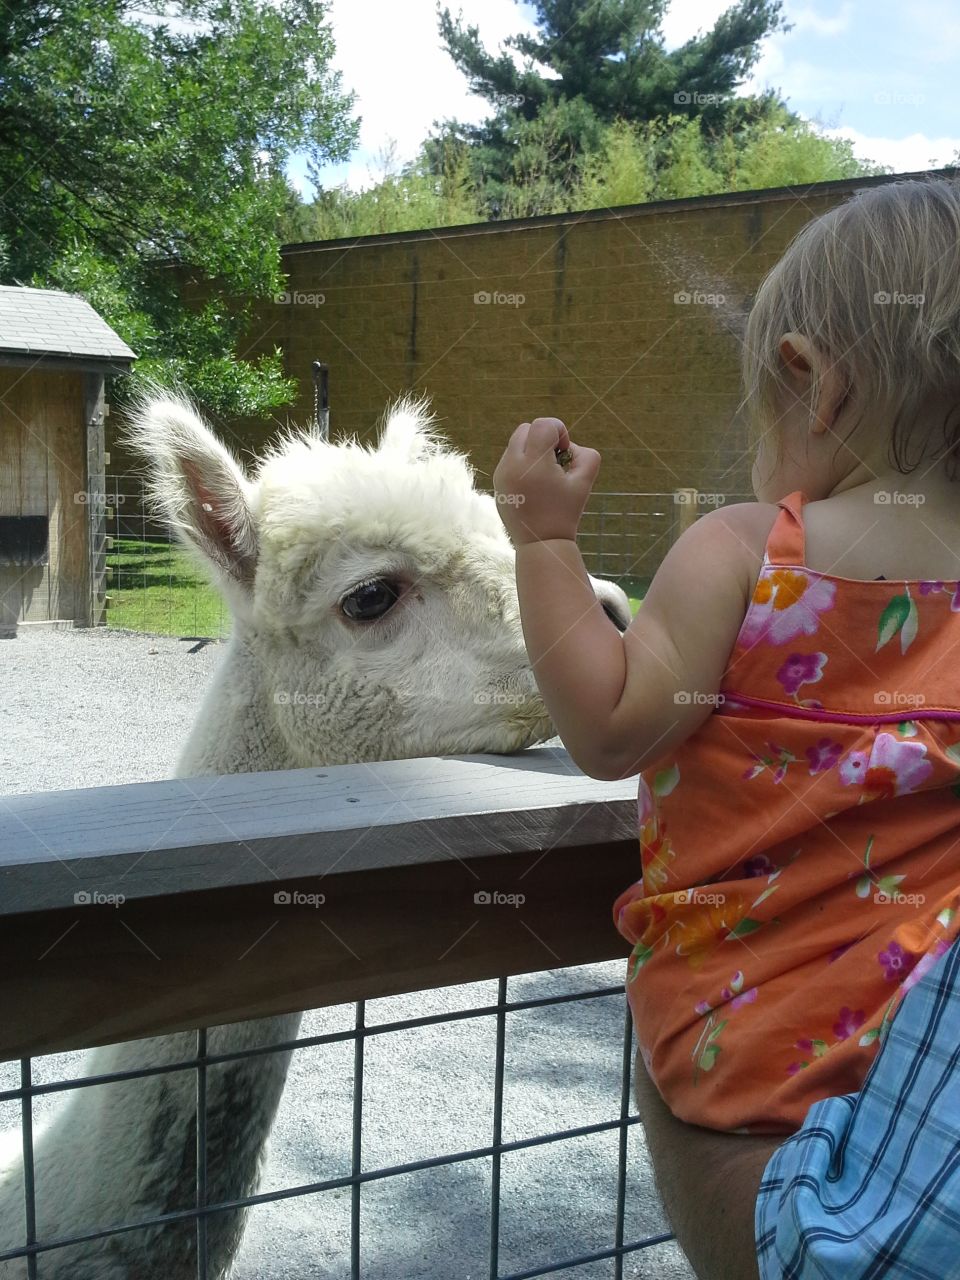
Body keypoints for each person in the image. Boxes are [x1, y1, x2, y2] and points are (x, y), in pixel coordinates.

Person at [492, 175, 960, 1279]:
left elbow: (609, 728)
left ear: (812, 381)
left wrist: (544, 543)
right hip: (915, 1080)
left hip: (737, 1055)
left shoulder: (748, 553)